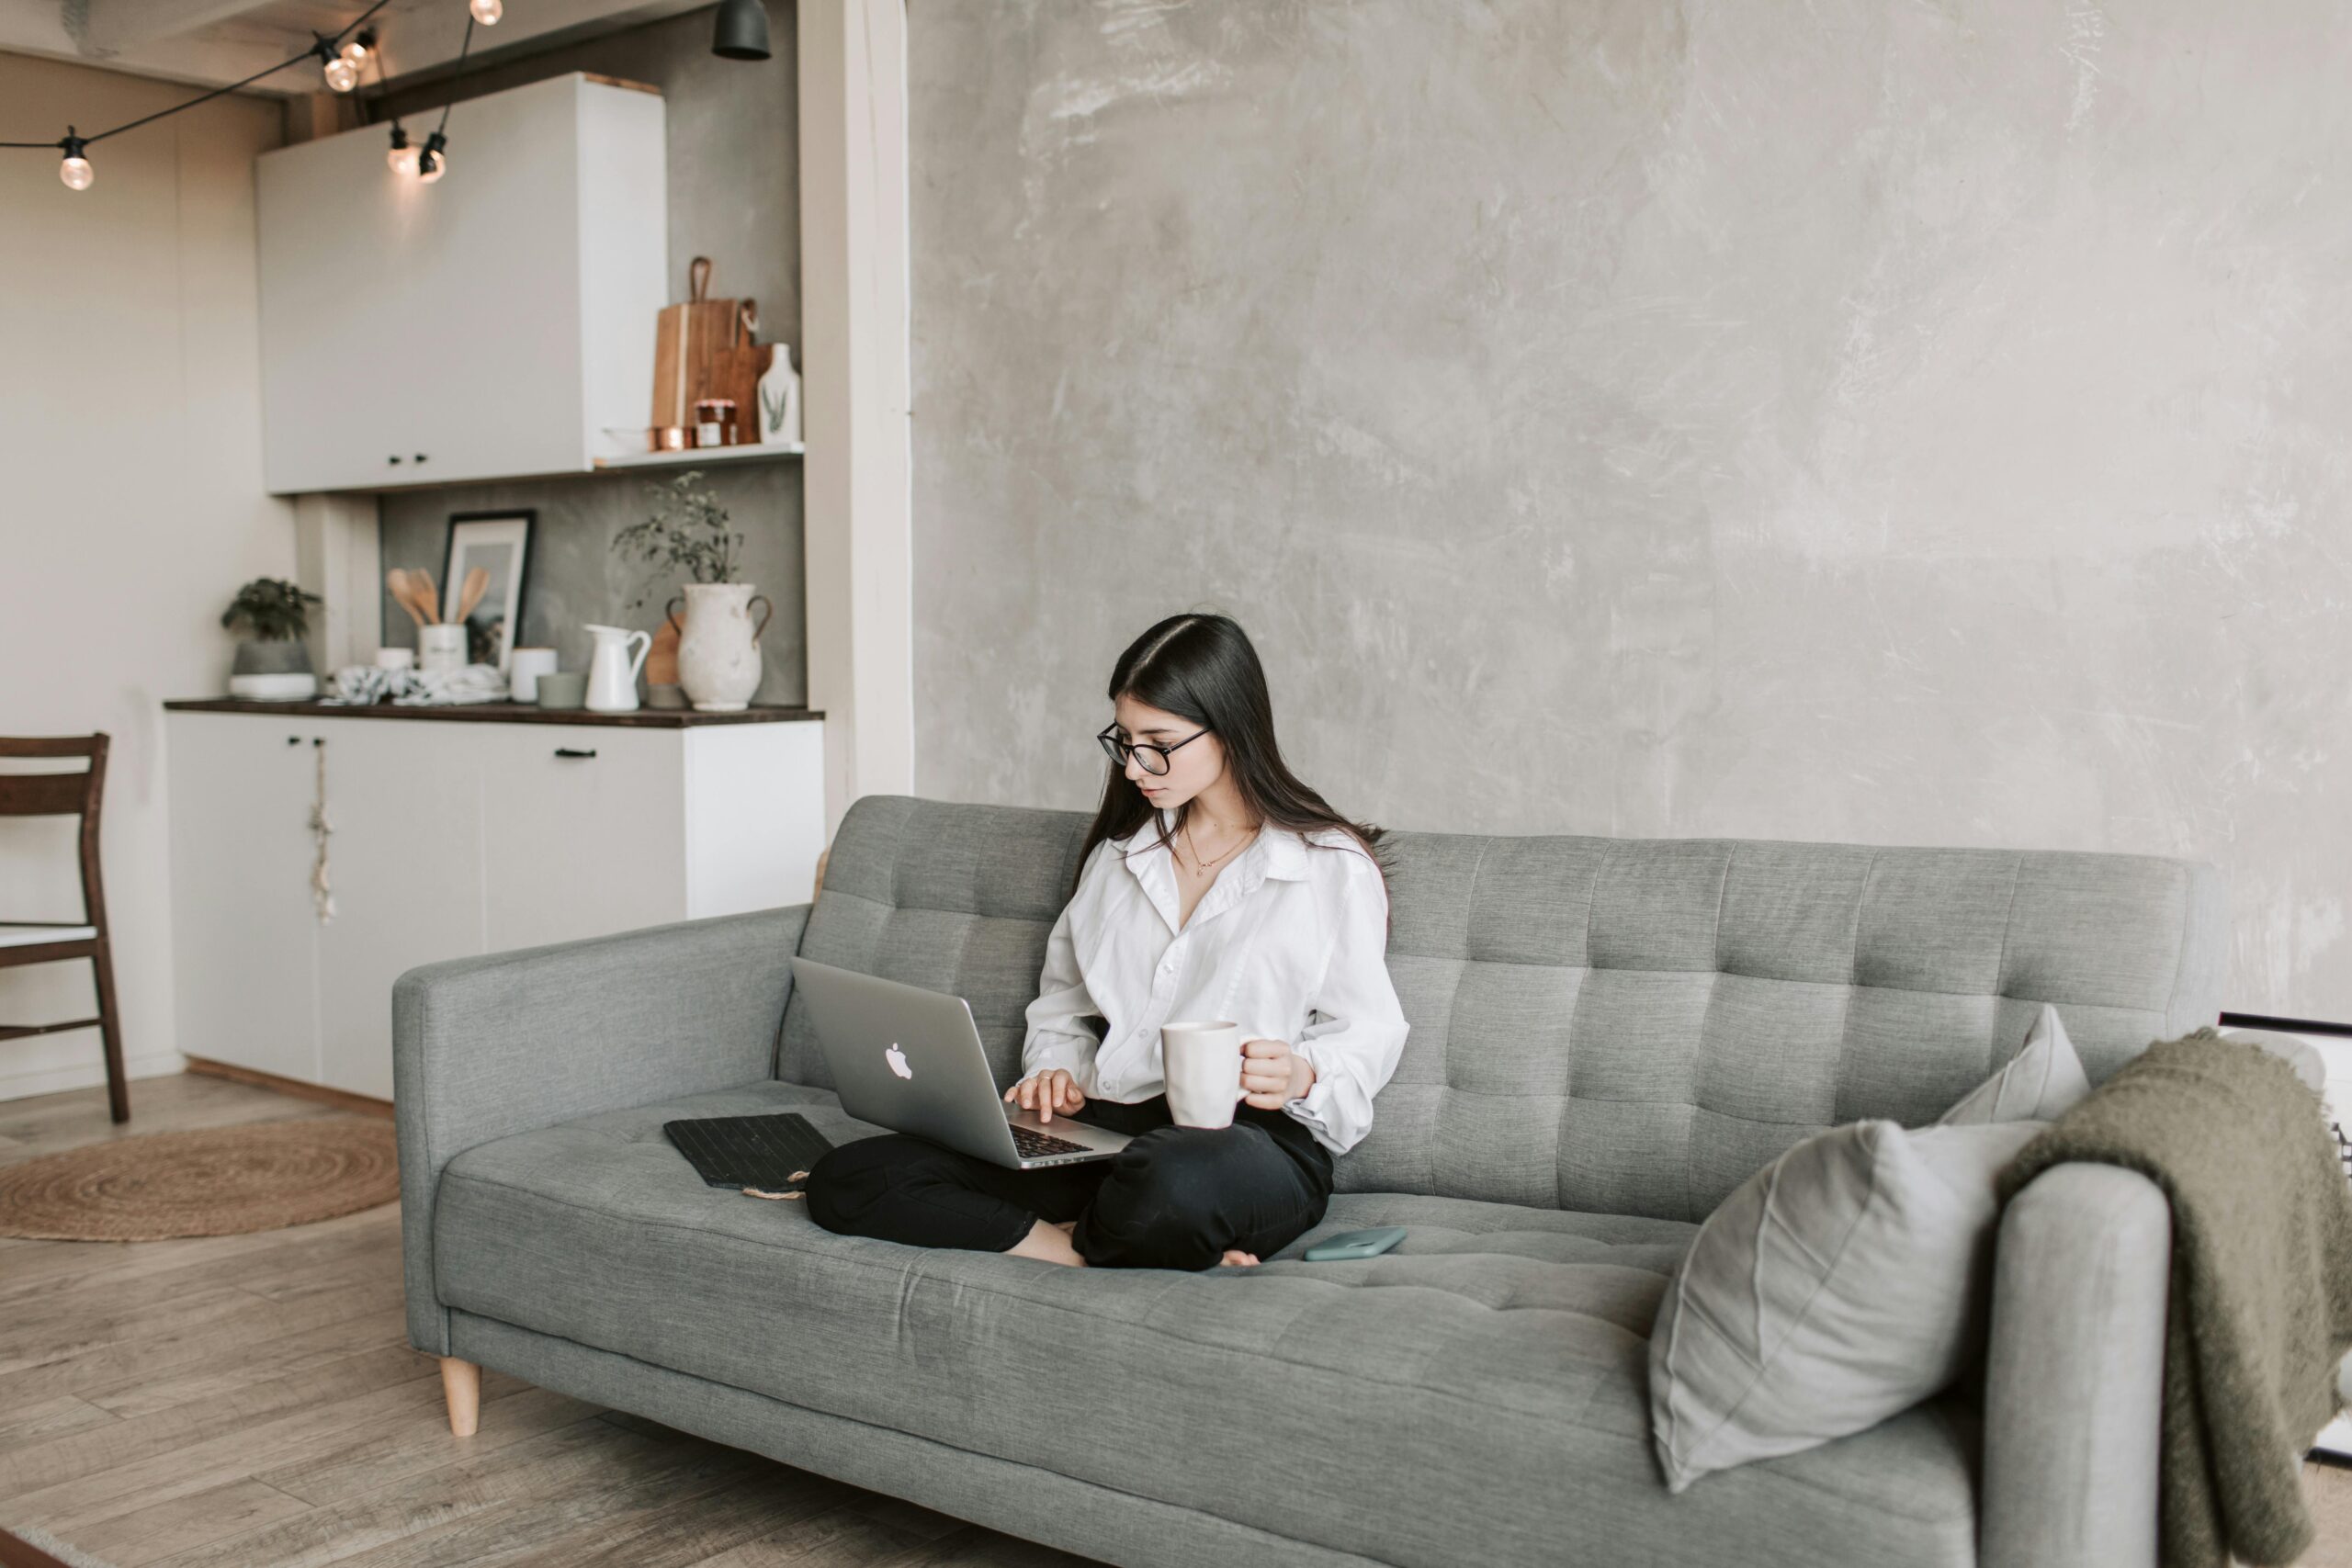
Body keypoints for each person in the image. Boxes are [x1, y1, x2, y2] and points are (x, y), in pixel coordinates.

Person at [805, 611, 1409, 1270]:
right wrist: (1053, 1072)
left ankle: (1130, 1227)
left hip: (1244, 1143)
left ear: (1230, 726)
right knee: (851, 1174)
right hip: (1106, 1131)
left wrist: (1302, 1072)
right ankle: (1074, 1246)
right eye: (1124, 740)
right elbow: (1063, 1007)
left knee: (1170, 1180)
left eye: (1158, 741)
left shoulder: (1326, 865)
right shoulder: (1121, 858)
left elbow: (1366, 1033)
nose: (1133, 767)